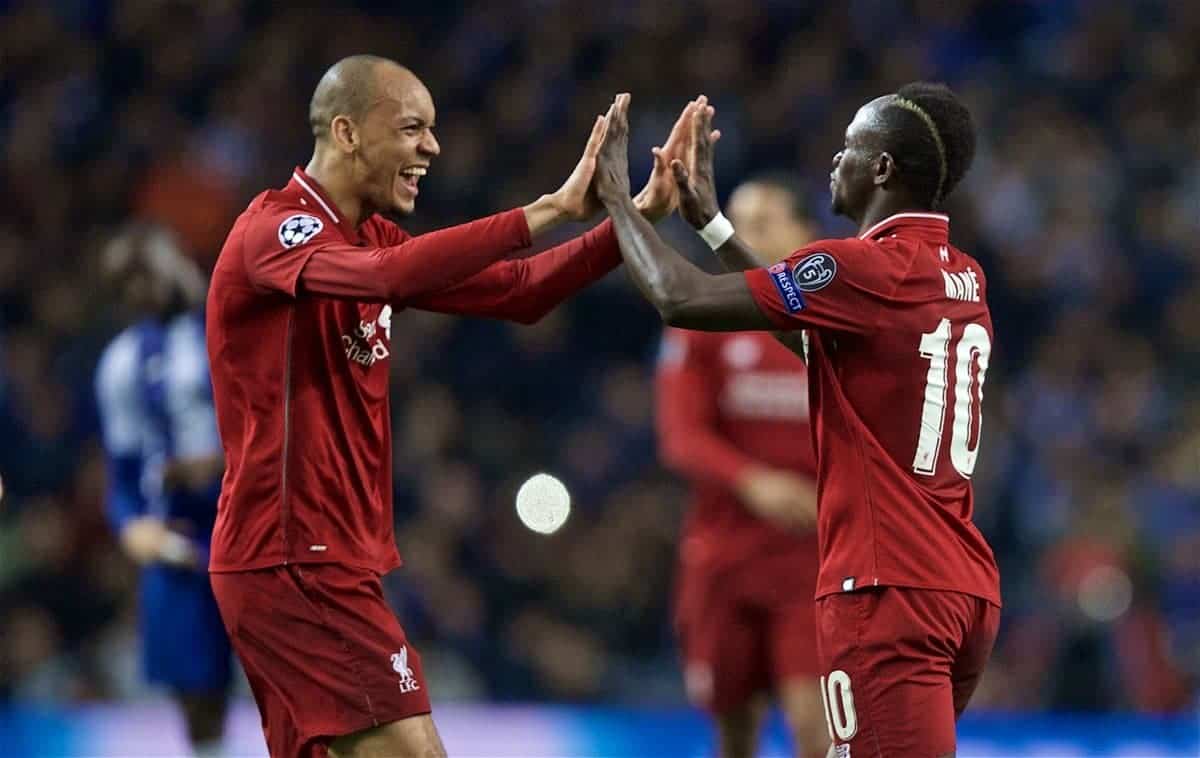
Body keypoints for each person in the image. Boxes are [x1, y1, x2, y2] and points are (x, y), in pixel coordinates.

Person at [205, 55, 688, 758]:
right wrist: (549, 207)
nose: (432, 148)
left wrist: (635, 220)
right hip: (291, 556)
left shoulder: (366, 236)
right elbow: (390, 276)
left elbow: (522, 292)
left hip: (318, 556)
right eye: (411, 129)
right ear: (346, 132)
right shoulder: (274, 233)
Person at [594, 86, 1001, 757]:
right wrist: (713, 228)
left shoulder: (862, 266)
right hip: (960, 588)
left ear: (882, 170)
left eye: (849, 146)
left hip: (883, 589)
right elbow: (813, 341)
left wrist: (616, 198)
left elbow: (676, 295)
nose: (834, 160)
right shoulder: (963, 276)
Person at [655, 175, 829, 757]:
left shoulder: (832, 322)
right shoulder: (704, 316)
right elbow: (681, 435)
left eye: (760, 223)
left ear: (805, 233)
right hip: (724, 558)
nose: (739, 236)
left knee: (816, 729)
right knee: (734, 734)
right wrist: (753, 481)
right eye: (733, 222)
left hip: (812, 562)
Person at [96, 223, 231, 757]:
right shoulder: (122, 364)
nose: (145, 288)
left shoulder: (233, 330)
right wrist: (132, 526)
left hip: (258, 521)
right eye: (130, 280)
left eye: (152, 271)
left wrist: (224, 462)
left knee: (300, 679)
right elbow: (124, 470)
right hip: (180, 536)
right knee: (196, 692)